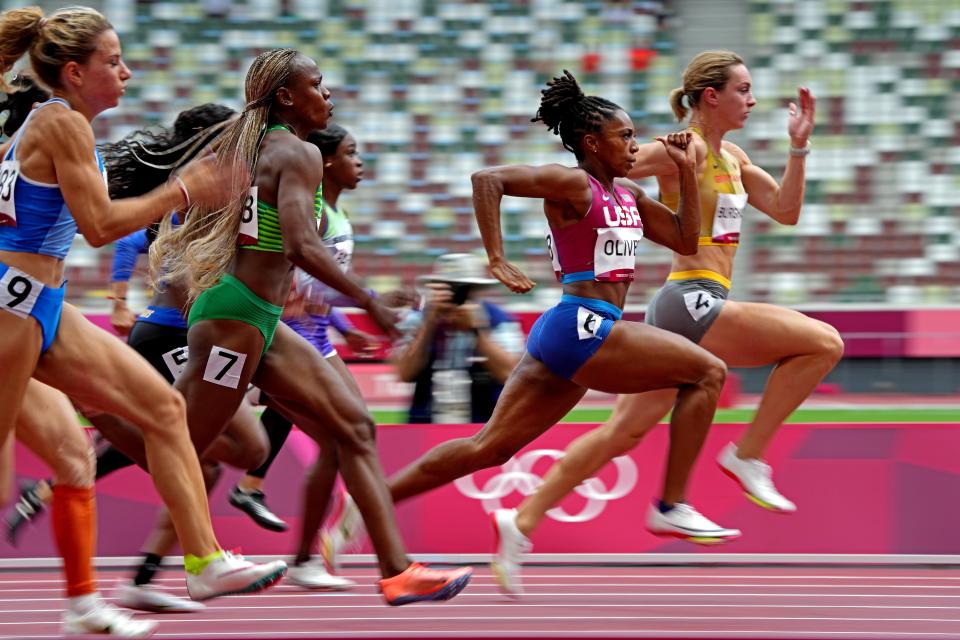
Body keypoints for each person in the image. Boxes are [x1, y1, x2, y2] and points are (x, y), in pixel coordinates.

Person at [324, 69, 735, 578]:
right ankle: (671, 504)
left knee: (490, 449)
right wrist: (495, 258)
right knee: (708, 372)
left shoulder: (628, 193)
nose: (635, 145)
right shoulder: (572, 183)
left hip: (569, 333)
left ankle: (364, 505)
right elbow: (488, 180)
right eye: (625, 136)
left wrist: (687, 172)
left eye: (634, 135)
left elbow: (684, 240)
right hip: (582, 323)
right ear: (592, 142)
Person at [489, 51, 844, 595]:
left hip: (690, 306)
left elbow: (787, 210)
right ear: (712, 97)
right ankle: (745, 457)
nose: (751, 101)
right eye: (743, 90)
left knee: (621, 433)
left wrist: (799, 146)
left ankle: (522, 521)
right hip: (690, 296)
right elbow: (612, 164)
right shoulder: (687, 147)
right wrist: (656, 159)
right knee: (823, 342)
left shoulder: (734, 157)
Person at [151, 48, 472, 606]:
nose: (329, 95)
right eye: (318, 85)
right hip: (237, 318)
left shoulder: (246, 149)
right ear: (286, 97)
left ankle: (398, 572)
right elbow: (301, 245)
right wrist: (368, 301)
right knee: (183, 443)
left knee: (355, 428)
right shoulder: (295, 152)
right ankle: (140, 571)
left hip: (253, 315)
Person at [0, 5, 286, 608]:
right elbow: (100, 227)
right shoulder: (60, 123)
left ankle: (202, 561)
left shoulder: (55, 124)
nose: (127, 72)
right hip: (12, 307)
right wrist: (184, 189)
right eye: (113, 61)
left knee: (160, 410)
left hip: (42, 305)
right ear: (74, 73)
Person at [391, 252, 524, 425]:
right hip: (425, 426)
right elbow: (404, 373)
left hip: (483, 428)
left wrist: (476, 331)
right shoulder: (418, 319)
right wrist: (428, 324)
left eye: (464, 288)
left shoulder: (498, 320)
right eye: (449, 287)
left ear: (476, 290)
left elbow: (510, 374)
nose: (456, 295)